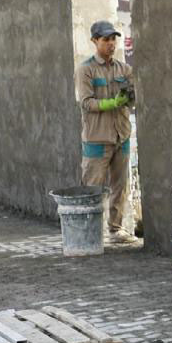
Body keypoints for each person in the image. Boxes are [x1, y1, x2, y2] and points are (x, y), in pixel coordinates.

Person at [75, 20, 139, 248]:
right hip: (97, 139)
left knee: (120, 187)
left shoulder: (124, 69)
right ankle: (89, 232)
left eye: (113, 39)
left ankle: (116, 228)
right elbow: (86, 102)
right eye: (106, 40)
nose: (111, 44)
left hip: (121, 136)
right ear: (94, 41)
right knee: (93, 188)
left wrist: (129, 97)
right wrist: (111, 103)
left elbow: (134, 97)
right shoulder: (86, 70)